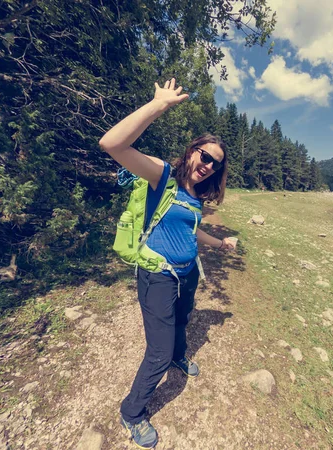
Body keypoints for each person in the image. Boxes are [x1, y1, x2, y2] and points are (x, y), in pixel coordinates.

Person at [99, 78, 236, 449]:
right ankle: (132, 412)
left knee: (183, 320)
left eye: (215, 163)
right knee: (155, 352)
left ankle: (179, 356)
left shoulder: (197, 196)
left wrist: (219, 242)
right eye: (204, 156)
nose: (207, 165)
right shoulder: (162, 177)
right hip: (158, 276)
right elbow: (112, 144)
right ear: (192, 152)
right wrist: (158, 105)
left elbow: (192, 233)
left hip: (187, 275)